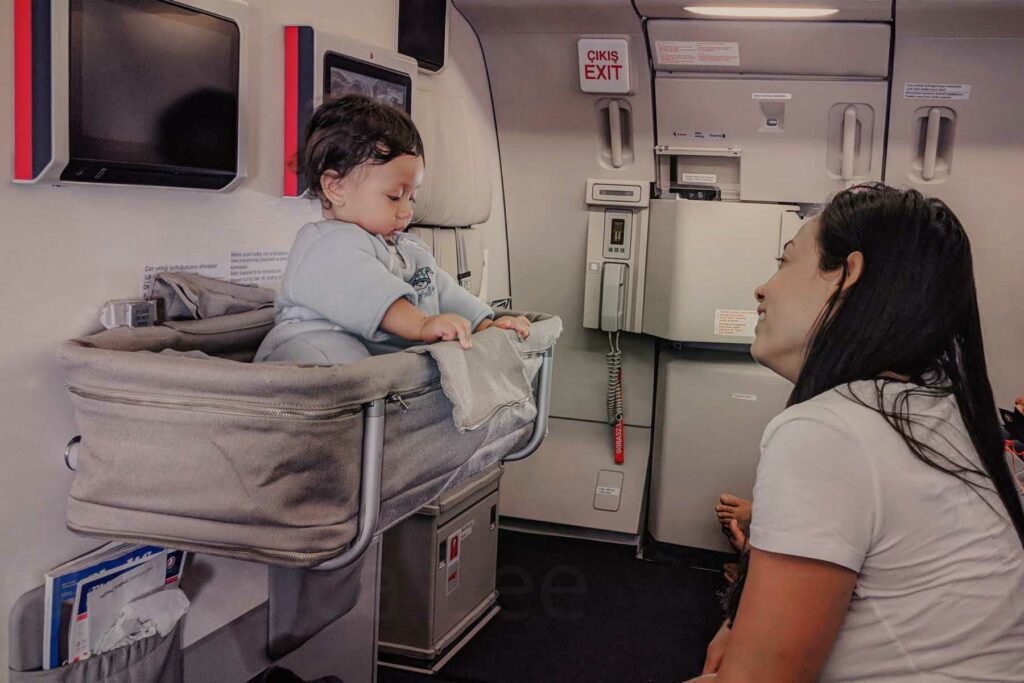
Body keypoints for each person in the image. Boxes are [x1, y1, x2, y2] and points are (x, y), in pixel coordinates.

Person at [691, 183, 1024, 681]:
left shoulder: (829, 431)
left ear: (847, 273)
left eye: (784, 262)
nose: (763, 288)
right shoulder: (938, 408)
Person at [255, 94, 529, 365]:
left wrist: (484, 324)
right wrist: (423, 324)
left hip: (369, 353)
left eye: (412, 198)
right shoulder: (325, 243)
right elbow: (370, 291)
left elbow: (439, 291)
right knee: (338, 359)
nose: (407, 211)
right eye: (394, 197)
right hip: (310, 346)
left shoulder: (409, 248)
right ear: (336, 187)